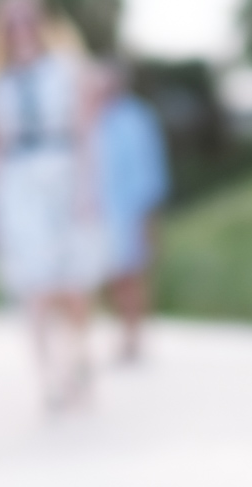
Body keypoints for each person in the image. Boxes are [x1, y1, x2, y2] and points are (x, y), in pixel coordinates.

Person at [0, 1, 110, 410]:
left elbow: (86, 132)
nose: (19, 30)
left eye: (27, 20)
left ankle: (78, 354)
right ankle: (48, 376)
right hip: (17, 183)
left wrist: (89, 189)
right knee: (35, 284)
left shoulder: (68, 70)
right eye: (9, 23)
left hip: (65, 174)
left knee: (74, 284)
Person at [94, 68, 169, 363]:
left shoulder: (138, 118)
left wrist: (148, 213)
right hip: (101, 212)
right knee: (113, 276)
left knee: (134, 275)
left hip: (133, 209)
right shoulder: (92, 119)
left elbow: (150, 168)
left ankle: (135, 334)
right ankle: (124, 330)